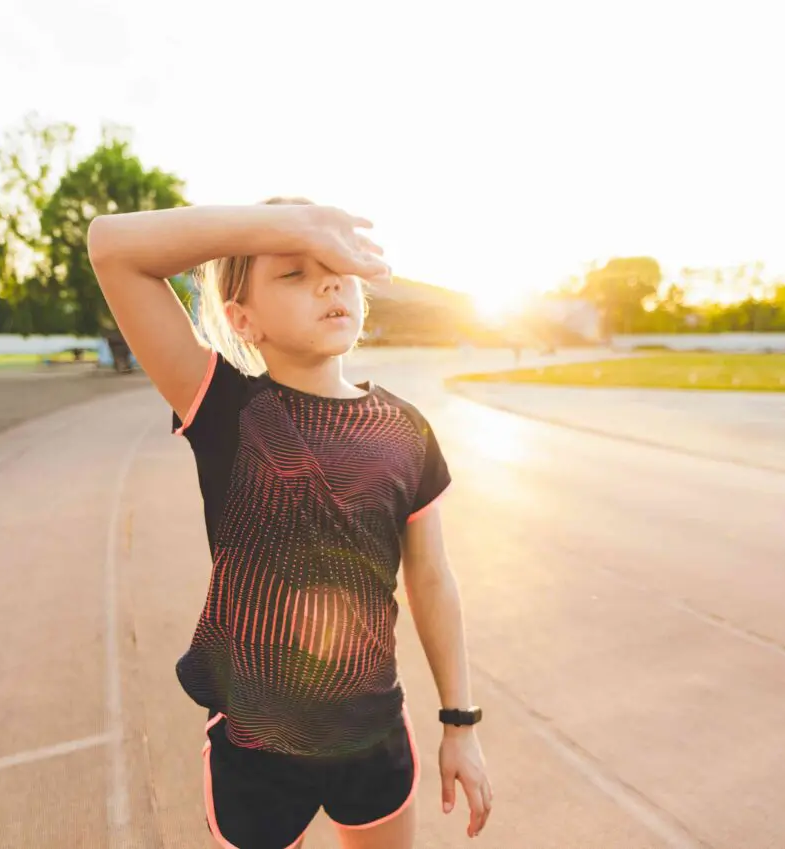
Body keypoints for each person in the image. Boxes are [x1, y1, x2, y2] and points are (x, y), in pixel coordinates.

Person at [87, 197, 492, 848]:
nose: (329, 281)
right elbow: (111, 248)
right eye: (293, 272)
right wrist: (279, 224)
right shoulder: (226, 410)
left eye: (334, 266)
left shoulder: (405, 429)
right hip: (256, 747)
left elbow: (432, 577)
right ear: (241, 318)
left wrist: (460, 724)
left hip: (373, 732)